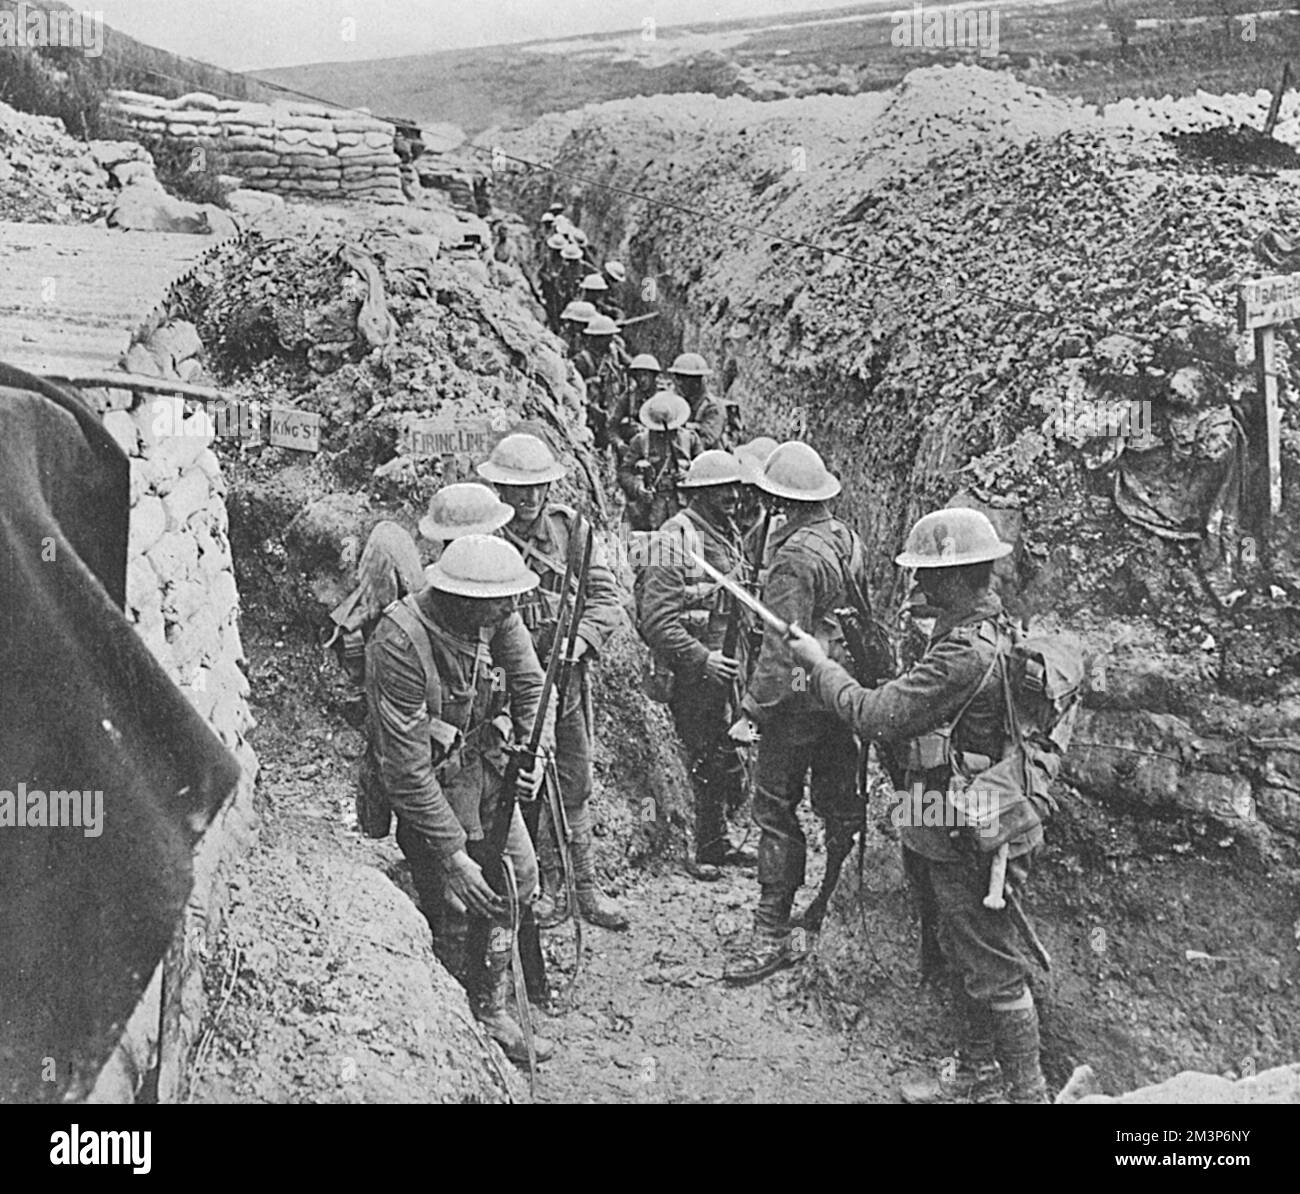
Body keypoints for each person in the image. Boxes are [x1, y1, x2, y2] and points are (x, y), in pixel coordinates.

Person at [784, 507, 1050, 1105]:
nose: (918, 587)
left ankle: (1030, 1094)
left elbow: (878, 716)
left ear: (957, 579)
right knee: (963, 945)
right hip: (953, 811)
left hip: (964, 822)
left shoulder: (962, 654)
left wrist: (820, 667)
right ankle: (979, 1073)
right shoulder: (990, 628)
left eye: (929, 576)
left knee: (990, 961)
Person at [363, 535, 555, 1063]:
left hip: (486, 773)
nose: (511, 608)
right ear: (463, 601)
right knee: (452, 908)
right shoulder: (399, 641)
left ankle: (492, 1005)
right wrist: (451, 853)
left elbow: (533, 687)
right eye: (500, 602)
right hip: (432, 791)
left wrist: (536, 755)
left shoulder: (496, 616)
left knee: (519, 878)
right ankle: (453, 1023)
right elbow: (404, 768)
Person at [723, 441, 870, 985]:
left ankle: (770, 932)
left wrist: (753, 711)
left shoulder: (791, 559)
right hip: (839, 692)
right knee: (837, 804)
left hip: (796, 702)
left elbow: (781, 647)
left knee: (775, 811)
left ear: (779, 498)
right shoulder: (845, 538)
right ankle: (828, 906)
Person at [476, 433, 630, 931]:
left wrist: (577, 644)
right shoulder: (484, 538)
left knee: (573, 783)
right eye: (518, 489)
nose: (530, 499)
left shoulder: (572, 532)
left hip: (565, 680)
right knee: (516, 787)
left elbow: (607, 600)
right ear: (496, 486)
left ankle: (581, 888)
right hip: (507, 689)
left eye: (538, 487)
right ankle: (537, 889)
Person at [638, 450, 757, 877]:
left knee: (717, 754)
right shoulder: (675, 537)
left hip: (723, 669)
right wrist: (701, 659)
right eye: (720, 490)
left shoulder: (726, 533)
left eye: (734, 488)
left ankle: (716, 843)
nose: (731, 496)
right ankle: (694, 852)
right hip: (689, 674)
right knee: (697, 761)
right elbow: (656, 620)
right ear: (699, 494)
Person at [618, 391, 701, 532]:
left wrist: (689, 475)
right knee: (651, 548)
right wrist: (638, 488)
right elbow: (624, 472)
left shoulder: (690, 439)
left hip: (683, 506)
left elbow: (704, 471)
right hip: (652, 509)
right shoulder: (641, 441)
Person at [573, 314, 624, 450]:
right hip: (591, 412)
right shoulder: (582, 360)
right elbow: (575, 389)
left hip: (611, 406)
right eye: (607, 337)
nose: (610, 341)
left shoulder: (612, 354)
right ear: (595, 339)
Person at [666, 352, 729, 450]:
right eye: (678, 377)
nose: (679, 383)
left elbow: (708, 439)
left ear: (697, 381)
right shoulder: (676, 401)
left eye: (684, 378)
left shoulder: (713, 406)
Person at [608, 353, 662, 451]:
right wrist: (619, 443)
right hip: (634, 448)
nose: (642, 380)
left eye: (646, 374)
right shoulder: (628, 397)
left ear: (653, 376)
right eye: (639, 375)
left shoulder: (663, 397)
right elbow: (612, 426)